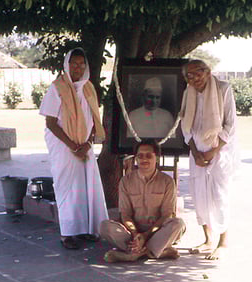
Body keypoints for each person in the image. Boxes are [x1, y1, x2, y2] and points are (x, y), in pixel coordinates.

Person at [39, 48, 109, 250]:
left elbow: (94, 120)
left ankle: (87, 229)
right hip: (63, 147)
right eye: (74, 63)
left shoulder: (88, 88)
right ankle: (67, 233)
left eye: (81, 64)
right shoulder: (57, 88)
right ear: (66, 65)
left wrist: (87, 144)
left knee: (86, 187)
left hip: (84, 146)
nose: (77, 68)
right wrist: (72, 146)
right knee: (67, 188)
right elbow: (51, 123)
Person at [179, 59, 239, 260]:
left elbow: (230, 124)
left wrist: (214, 151)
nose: (194, 78)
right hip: (197, 152)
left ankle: (223, 242)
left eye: (197, 73)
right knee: (199, 195)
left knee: (219, 195)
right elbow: (186, 126)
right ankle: (208, 240)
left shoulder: (223, 89)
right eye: (189, 75)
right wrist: (195, 152)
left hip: (220, 151)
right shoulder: (189, 92)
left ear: (208, 71)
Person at [100, 139, 185, 262]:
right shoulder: (126, 181)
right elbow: (125, 214)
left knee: (178, 224)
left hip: (157, 231)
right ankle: (155, 252)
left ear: (156, 158)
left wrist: (146, 235)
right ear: (136, 159)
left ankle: (132, 254)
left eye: (148, 156)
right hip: (132, 232)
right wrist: (135, 234)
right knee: (104, 226)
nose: (144, 159)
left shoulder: (167, 182)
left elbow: (167, 214)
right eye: (140, 156)